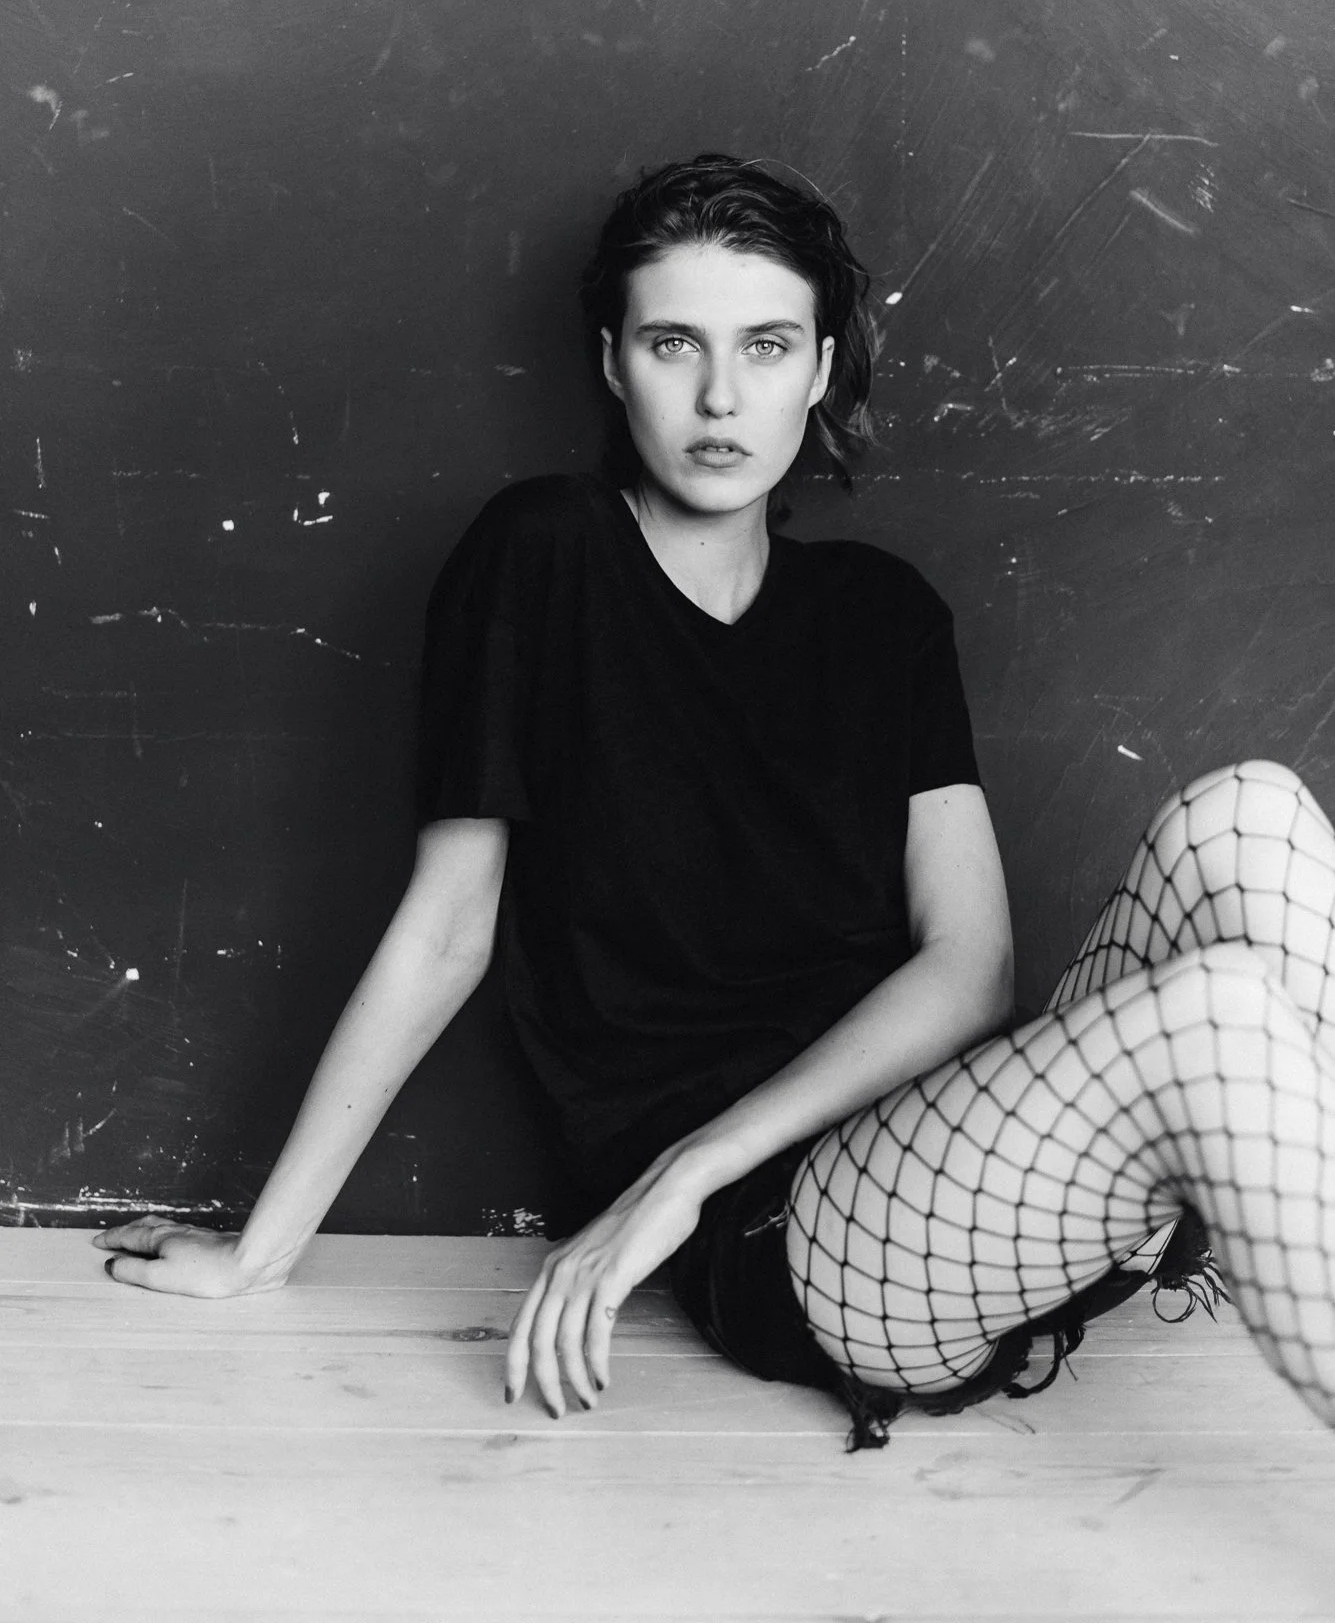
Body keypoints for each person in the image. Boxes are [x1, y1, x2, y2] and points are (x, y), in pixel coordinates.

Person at [96, 154, 1335, 1450]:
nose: (720, 395)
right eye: (674, 342)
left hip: (987, 1160)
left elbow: (969, 969)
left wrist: (678, 1176)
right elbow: (448, 929)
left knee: (1244, 818)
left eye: (766, 345)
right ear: (612, 361)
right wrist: (262, 1253)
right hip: (816, 1239)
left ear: (820, 368)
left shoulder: (883, 615)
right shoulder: (542, 556)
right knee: (1221, 1012)